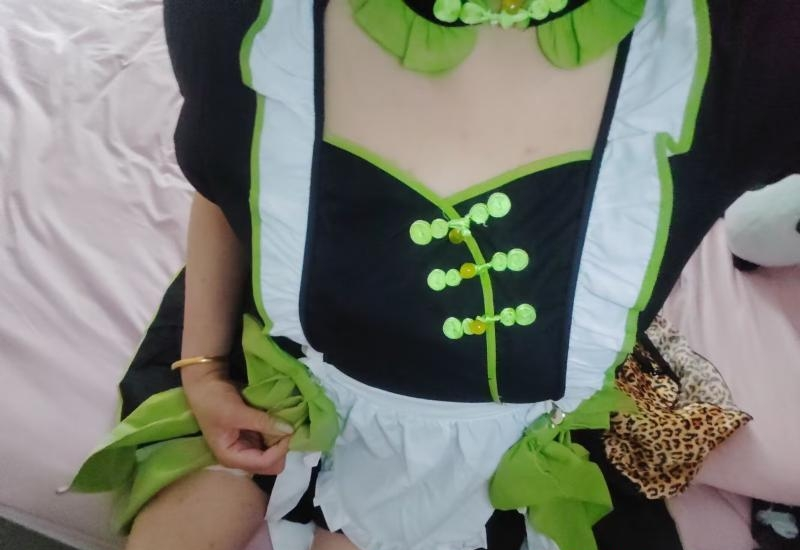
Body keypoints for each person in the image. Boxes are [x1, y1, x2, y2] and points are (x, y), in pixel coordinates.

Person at [69, 1, 800, 549]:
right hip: (273, 357)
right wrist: (202, 369)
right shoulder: (236, 21)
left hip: (529, 413)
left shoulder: (748, 52)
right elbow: (224, 181)